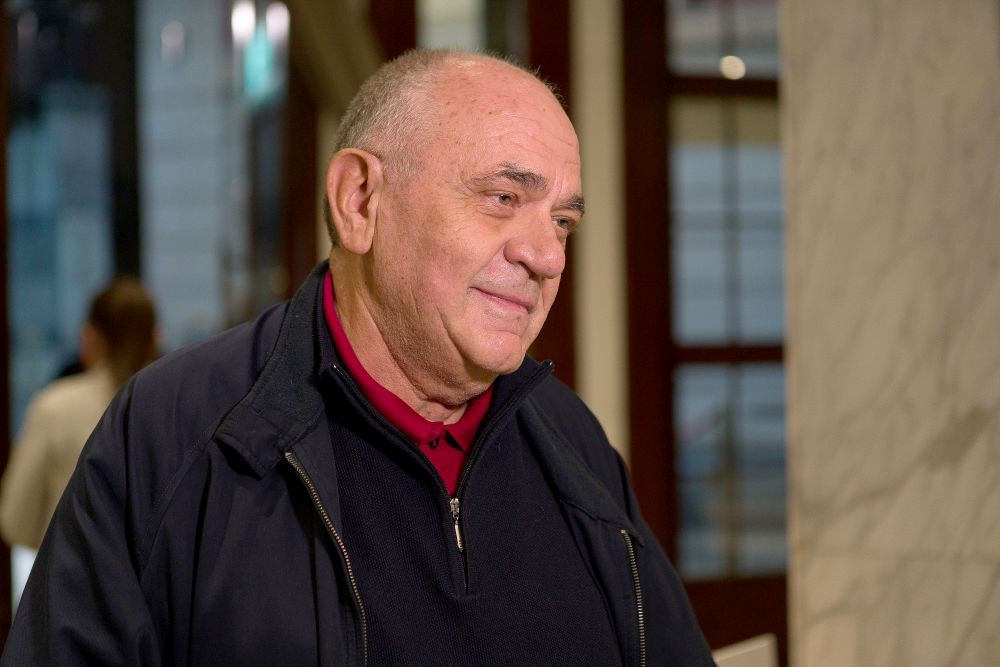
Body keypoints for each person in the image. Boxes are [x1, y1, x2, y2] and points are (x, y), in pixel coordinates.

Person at [3, 50, 713, 665]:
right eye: (503, 197)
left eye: (562, 221)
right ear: (360, 200)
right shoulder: (170, 437)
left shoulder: (574, 445)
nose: (548, 256)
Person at [0, 277, 158, 551]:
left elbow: (15, 520)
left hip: (71, 572)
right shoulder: (175, 408)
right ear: (154, 339)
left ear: (91, 336)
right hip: (162, 579)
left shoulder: (54, 407)